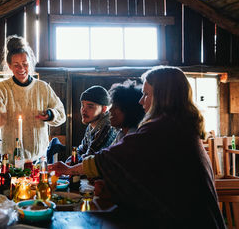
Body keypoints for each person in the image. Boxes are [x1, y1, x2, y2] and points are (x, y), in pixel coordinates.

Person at [49, 66, 225, 228]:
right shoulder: (180, 125)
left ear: (163, 97)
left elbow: (109, 158)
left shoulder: (162, 128)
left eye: (146, 94)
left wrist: (69, 170)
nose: (141, 101)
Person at [0, 35, 66, 162]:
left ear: (30, 63)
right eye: (16, 65)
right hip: (11, 159)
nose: (21, 68)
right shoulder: (3, 88)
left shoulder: (42, 88)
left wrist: (50, 114)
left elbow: (61, 114)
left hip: (39, 158)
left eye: (25, 64)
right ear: (9, 66)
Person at [66, 85, 117, 163]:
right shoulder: (91, 125)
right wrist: (69, 161)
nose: (83, 110)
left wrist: (71, 165)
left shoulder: (107, 127)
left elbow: (90, 158)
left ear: (104, 109)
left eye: (90, 106)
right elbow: (81, 149)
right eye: (82, 105)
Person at [109, 80, 145, 145]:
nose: (110, 110)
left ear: (129, 110)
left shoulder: (135, 137)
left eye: (116, 107)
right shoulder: (121, 133)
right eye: (112, 106)